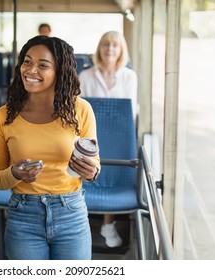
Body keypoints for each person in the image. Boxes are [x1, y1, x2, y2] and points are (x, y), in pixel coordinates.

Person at [0, 35, 100, 260]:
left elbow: (95, 164)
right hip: (23, 216)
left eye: (43, 65)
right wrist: (14, 174)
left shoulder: (81, 110)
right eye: (27, 62)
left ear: (60, 71)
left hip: (71, 213)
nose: (31, 70)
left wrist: (92, 171)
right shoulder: (2, 117)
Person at [79, 30, 138, 248]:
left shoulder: (129, 77)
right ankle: (79, 224)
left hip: (120, 138)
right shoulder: (85, 76)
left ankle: (108, 224)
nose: (110, 49)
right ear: (99, 49)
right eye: (105, 44)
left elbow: (130, 113)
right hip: (90, 137)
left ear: (121, 50)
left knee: (114, 175)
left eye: (115, 45)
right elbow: (79, 113)